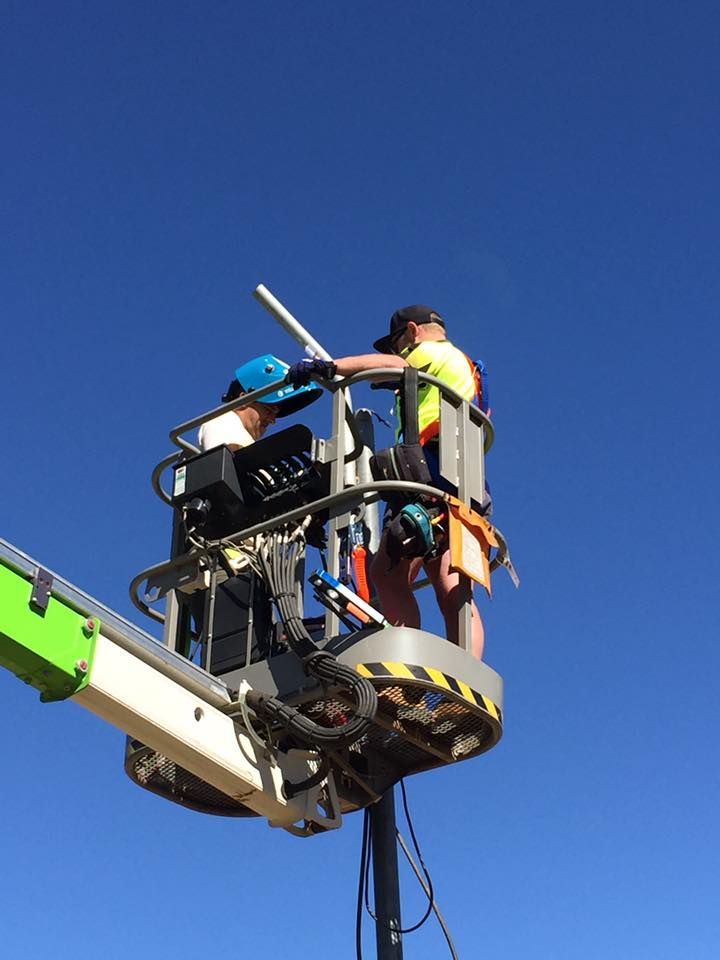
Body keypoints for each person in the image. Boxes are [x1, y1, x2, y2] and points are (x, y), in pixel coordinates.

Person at [287, 306, 488, 658]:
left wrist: (331, 367)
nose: (396, 354)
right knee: (449, 580)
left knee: (386, 574)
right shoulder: (460, 366)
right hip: (465, 483)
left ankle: (404, 665)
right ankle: (465, 672)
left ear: (412, 331)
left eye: (397, 344)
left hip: (431, 474)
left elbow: (396, 367)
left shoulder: (429, 352)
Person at [198, 354, 322, 451]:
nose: (272, 420)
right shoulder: (222, 421)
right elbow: (229, 459)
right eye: (269, 410)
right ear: (243, 400)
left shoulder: (244, 438)